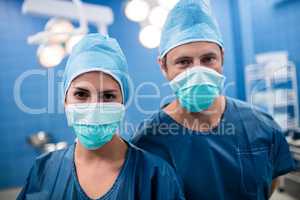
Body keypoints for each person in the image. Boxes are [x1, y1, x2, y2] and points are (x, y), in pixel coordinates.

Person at [132, 0, 295, 199]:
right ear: (163, 67)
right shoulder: (147, 143)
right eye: (184, 62)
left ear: (222, 58)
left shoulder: (262, 125)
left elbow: (269, 185)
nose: (198, 71)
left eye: (208, 59)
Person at [17, 34, 185, 200]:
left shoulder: (155, 175)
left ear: (122, 104)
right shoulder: (45, 170)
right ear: (65, 102)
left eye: (108, 96)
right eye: (81, 94)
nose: (94, 107)